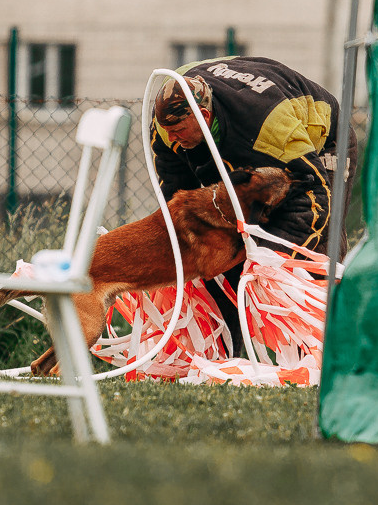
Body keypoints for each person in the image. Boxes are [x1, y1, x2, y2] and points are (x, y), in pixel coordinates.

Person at [150, 55, 356, 355]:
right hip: (245, 138)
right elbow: (176, 193)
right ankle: (226, 349)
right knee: (221, 247)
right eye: (167, 131)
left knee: (317, 247)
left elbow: (315, 197)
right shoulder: (168, 128)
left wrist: (263, 257)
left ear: (204, 118)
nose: (172, 138)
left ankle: (323, 352)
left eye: (179, 131)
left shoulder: (270, 128)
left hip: (321, 142)